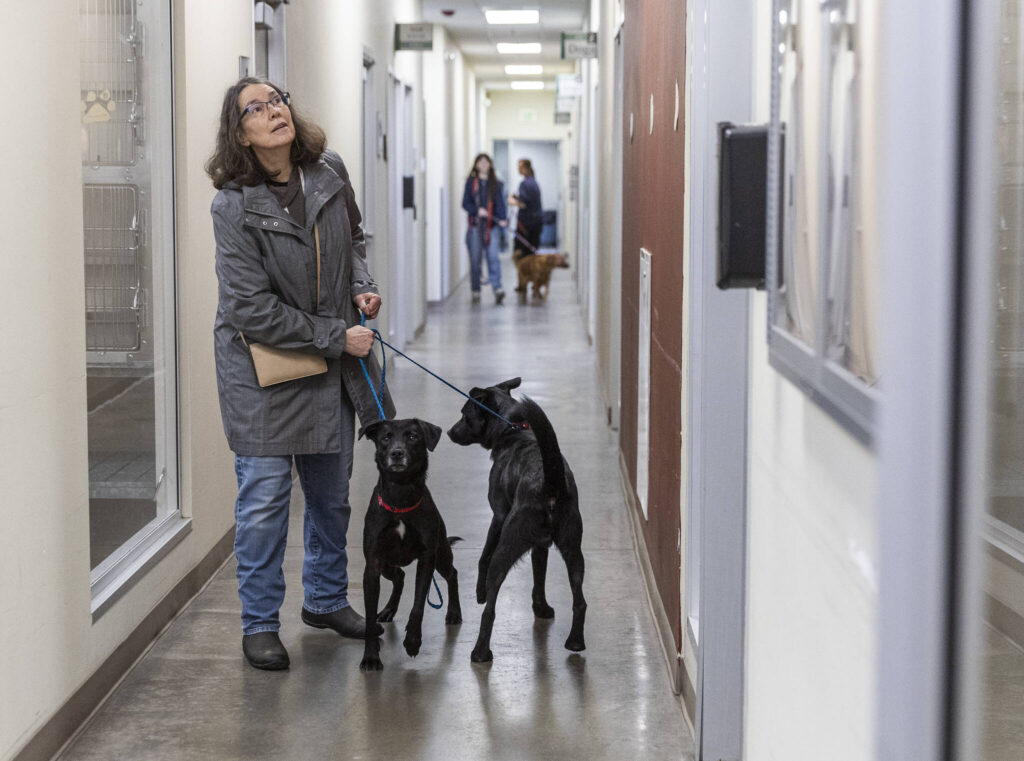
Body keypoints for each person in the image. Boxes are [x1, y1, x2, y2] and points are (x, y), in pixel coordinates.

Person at [206, 77, 395, 671]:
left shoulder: (329, 170)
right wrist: (337, 335)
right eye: (255, 109)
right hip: (262, 369)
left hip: (328, 365)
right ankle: (260, 622)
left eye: (277, 100)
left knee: (330, 495)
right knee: (264, 501)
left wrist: (361, 287)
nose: (273, 112)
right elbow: (249, 308)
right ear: (240, 133)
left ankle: (325, 599)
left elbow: (354, 240)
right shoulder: (232, 205)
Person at [461, 153, 508, 304]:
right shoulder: (471, 183)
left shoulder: (496, 184)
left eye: (486, 162)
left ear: (490, 165)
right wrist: (477, 210)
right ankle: (476, 289)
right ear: (476, 165)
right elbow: (465, 203)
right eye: (480, 162)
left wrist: (502, 219)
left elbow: (500, 203)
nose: (483, 164)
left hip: (491, 227)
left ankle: (497, 288)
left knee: (493, 257)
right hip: (475, 227)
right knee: (475, 260)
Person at [508, 158, 543, 263]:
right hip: (536, 223)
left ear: (525, 168)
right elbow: (529, 200)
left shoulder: (524, 184)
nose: (518, 169)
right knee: (531, 253)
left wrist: (511, 201)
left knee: (520, 254)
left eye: (519, 167)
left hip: (526, 225)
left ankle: (524, 277)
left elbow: (523, 204)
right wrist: (518, 197)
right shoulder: (534, 182)